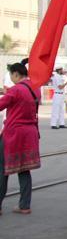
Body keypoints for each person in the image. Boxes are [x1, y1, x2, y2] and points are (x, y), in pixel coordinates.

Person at [0, 61, 41, 215]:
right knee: (24, 170)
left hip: (14, 134)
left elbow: (1, 104)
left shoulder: (16, 90)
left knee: (3, 170)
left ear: (16, 74)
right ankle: (24, 205)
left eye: (11, 75)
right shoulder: (35, 89)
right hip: (29, 133)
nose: (11, 78)